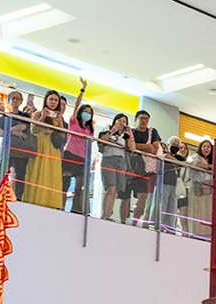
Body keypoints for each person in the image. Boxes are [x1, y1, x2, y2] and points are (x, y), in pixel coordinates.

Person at [21, 90, 66, 209]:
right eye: (51, 99)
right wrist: (43, 116)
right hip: (40, 147)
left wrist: (60, 121)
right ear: (46, 100)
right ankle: (35, 201)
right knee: (38, 172)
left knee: (52, 176)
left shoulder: (58, 117)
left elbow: (62, 136)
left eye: (56, 100)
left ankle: (51, 203)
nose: (53, 102)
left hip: (53, 149)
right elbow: (34, 131)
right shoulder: (38, 113)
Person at [62, 78, 93, 213]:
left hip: (82, 157)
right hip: (70, 153)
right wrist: (83, 89)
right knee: (66, 182)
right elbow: (76, 104)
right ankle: (61, 206)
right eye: (86, 111)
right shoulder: (74, 122)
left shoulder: (90, 129)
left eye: (90, 112)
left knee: (79, 185)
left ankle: (76, 209)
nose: (88, 114)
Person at [99, 114, 135, 223]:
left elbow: (132, 148)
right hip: (108, 159)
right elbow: (101, 141)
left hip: (121, 162)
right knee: (111, 188)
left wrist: (130, 135)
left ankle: (109, 213)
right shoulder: (106, 130)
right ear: (115, 121)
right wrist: (112, 131)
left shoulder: (125, 136)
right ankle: (105, 215)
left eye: (124, 122)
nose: (121, 123)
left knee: (116, 190)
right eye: (119, 120)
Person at [0, 90, 36, 198]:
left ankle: (18, 197)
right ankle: (0, 194)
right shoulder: (4, 116)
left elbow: (23, 127)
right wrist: (13, 131)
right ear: (8, 100)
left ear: (21, 101)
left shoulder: (25, 115)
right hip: (7, 149)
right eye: (13, 98)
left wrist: (8, 130)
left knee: (20, 174)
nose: (15, 100)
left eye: (17, 99)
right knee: (3, 172)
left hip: (21, 150)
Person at [130, 110, 161, 226]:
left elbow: (154, 150)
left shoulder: (153, 132)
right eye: (142, 118)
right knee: (125, 197)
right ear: (136, 119)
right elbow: (129, 146)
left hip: (145, 169)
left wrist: (136, 147)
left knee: (143, 197)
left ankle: (134, 222)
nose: (144, 121)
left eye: (146, 119)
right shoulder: (131, 132)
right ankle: (123, 221)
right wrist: (146, 146)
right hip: (131, 166)